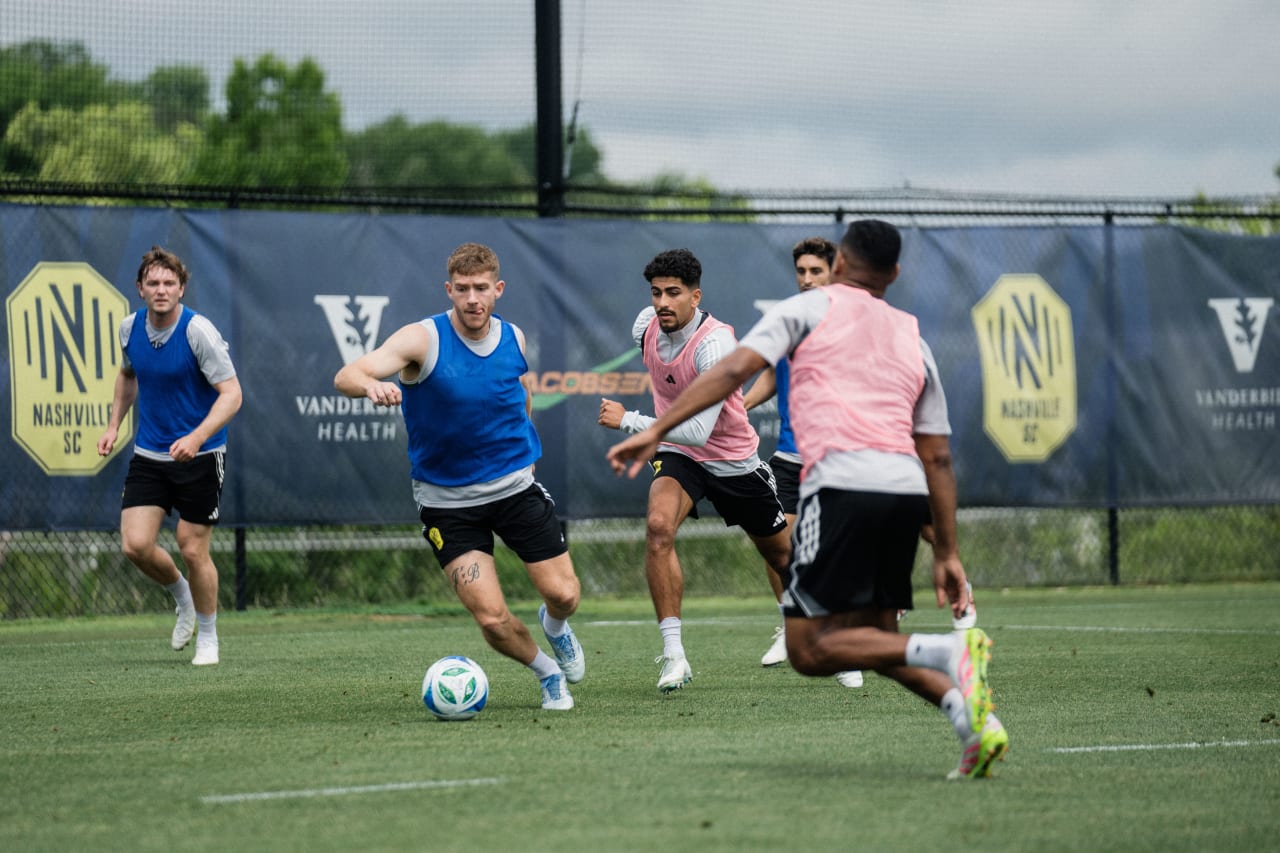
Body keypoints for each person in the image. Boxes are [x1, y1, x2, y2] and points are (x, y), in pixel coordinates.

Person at [606, 221, 1008, 779]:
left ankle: (947, 653)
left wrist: (651, 427)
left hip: (840, 487)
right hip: (904, 491)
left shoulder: (804, 311)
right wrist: (946, 550)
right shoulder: (912, 336)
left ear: (838, 265)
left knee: (809, 647)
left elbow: (733, 370)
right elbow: (937, 457)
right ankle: (972, 725)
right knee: (872, 641)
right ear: (894, 274)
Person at [334, 242, 585, 711]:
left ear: (498, 289)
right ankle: (548, 674)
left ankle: (555, 627)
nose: (473, 298)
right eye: (463, 288)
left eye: (482, 288)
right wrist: (370, 385)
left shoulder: (514, 338)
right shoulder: (421, 339)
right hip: (448, 505)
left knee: (565, 594)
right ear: (448, 289)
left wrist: (522, 448)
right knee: (490, 618)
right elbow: (348, 374)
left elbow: (520, 392)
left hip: (515, 490)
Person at [598, 248, 792, 694]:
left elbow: (700, 431)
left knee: (783, 558)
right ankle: (674, 655)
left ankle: (821, 629)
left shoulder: (714, 344)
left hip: (732, 460)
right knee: (658, 527)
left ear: (695, 296)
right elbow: (682, 436)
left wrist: (629, 421)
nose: (663, 302)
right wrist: (650, 430)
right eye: (656, 293)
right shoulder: (645, 326)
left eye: (674, 293)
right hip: (678, 454)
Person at [97, 246, 243, 666]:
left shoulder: (198, 332)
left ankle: (208, 637)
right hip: (150, 453)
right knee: (135, 544)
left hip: (201, 455)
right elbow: (127, 376)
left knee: (192, 548)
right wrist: (113, 425)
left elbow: (232, 395)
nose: (161, 290)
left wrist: (196, 438)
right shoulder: (129, 329)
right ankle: (183, 597)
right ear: (140, 288)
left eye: (169, 283)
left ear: (181, 288)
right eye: (153, 283)